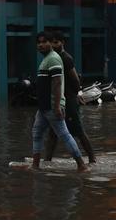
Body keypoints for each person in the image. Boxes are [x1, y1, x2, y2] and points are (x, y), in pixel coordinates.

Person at [31, 32, 89, 173]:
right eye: (38, 42)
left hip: (51, 106)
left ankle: (81, 165)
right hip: (44, 107)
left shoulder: (54, 59)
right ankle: (35, 165)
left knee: (64, 134)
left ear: (51, 43)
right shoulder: (46, 60)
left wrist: (57, 105)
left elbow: (57, 83)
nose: (41, 45)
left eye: (44, 42)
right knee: (37, 133)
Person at [43, 33, 96, 164]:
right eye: (52, 43)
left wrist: (77, 94)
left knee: (78, 130)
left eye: (56, 42)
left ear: (62, 43)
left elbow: (75, 80)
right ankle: (47, 160)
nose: (53, 45)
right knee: (53, 132)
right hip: (58, 100)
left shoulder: (65, 58)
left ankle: (92, 158)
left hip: (69, 100)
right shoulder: (54, 58)